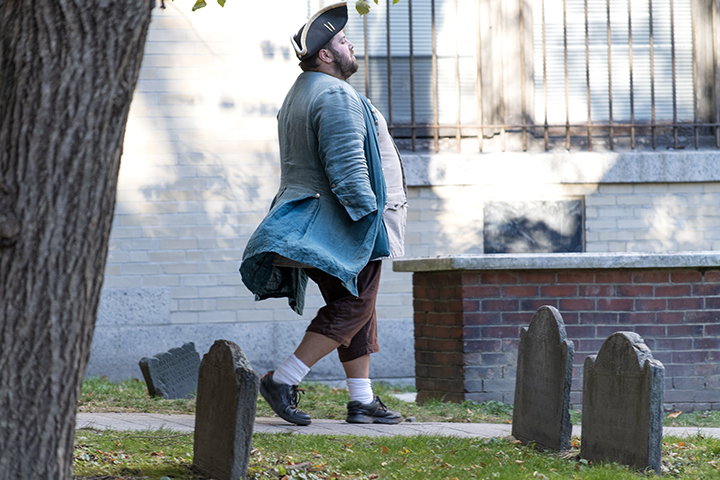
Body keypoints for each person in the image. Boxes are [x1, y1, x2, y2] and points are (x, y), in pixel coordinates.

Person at [240, 1, 407, 426]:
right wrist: (369, 222)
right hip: (342, 224)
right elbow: (348, 169)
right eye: (344, 41)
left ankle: (361, 399)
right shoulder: (334, 94)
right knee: (354, 306)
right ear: (326, 55)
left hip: (311, 221)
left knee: (354, 307)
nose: (352, 47)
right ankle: (283, 379)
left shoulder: (301, 92)